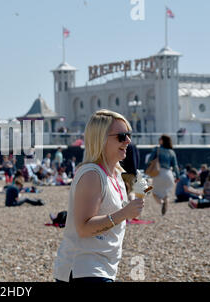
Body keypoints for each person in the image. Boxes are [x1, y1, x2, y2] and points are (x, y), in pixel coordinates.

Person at [54, 109, 144, 283]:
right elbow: (83, 228)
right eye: (121, 136)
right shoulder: (92, 175)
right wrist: (124, 214)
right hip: (84, 268)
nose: (128, 141)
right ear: (101, 139)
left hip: (101, 267)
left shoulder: (116, 174)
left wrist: (132, 207)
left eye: (129, 135)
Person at [146, 135, 180, 215]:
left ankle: (161, 203)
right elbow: (175, 166)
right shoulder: (172, 152)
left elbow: (149, 160)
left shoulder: (157, 149)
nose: (158, 140)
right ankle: (165, 202)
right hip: (169, 175)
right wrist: (178, 177)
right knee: (165, 194)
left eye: (160, 139)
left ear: (162, 141)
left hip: (159, 174)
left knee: (154, 193)